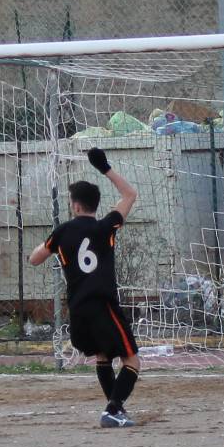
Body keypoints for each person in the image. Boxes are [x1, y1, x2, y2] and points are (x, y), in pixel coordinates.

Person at [28, 148, 140, 428]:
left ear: (75, 206)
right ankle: (113, 409)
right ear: (94, 205)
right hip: (102, 302)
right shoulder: (106, 227)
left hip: (78, 308)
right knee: (132, 361)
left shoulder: (62, 232)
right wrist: (105, 168)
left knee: (103, 355)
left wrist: (51, 244)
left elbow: (34, 258)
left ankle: (115, 410)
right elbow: (130, 195)